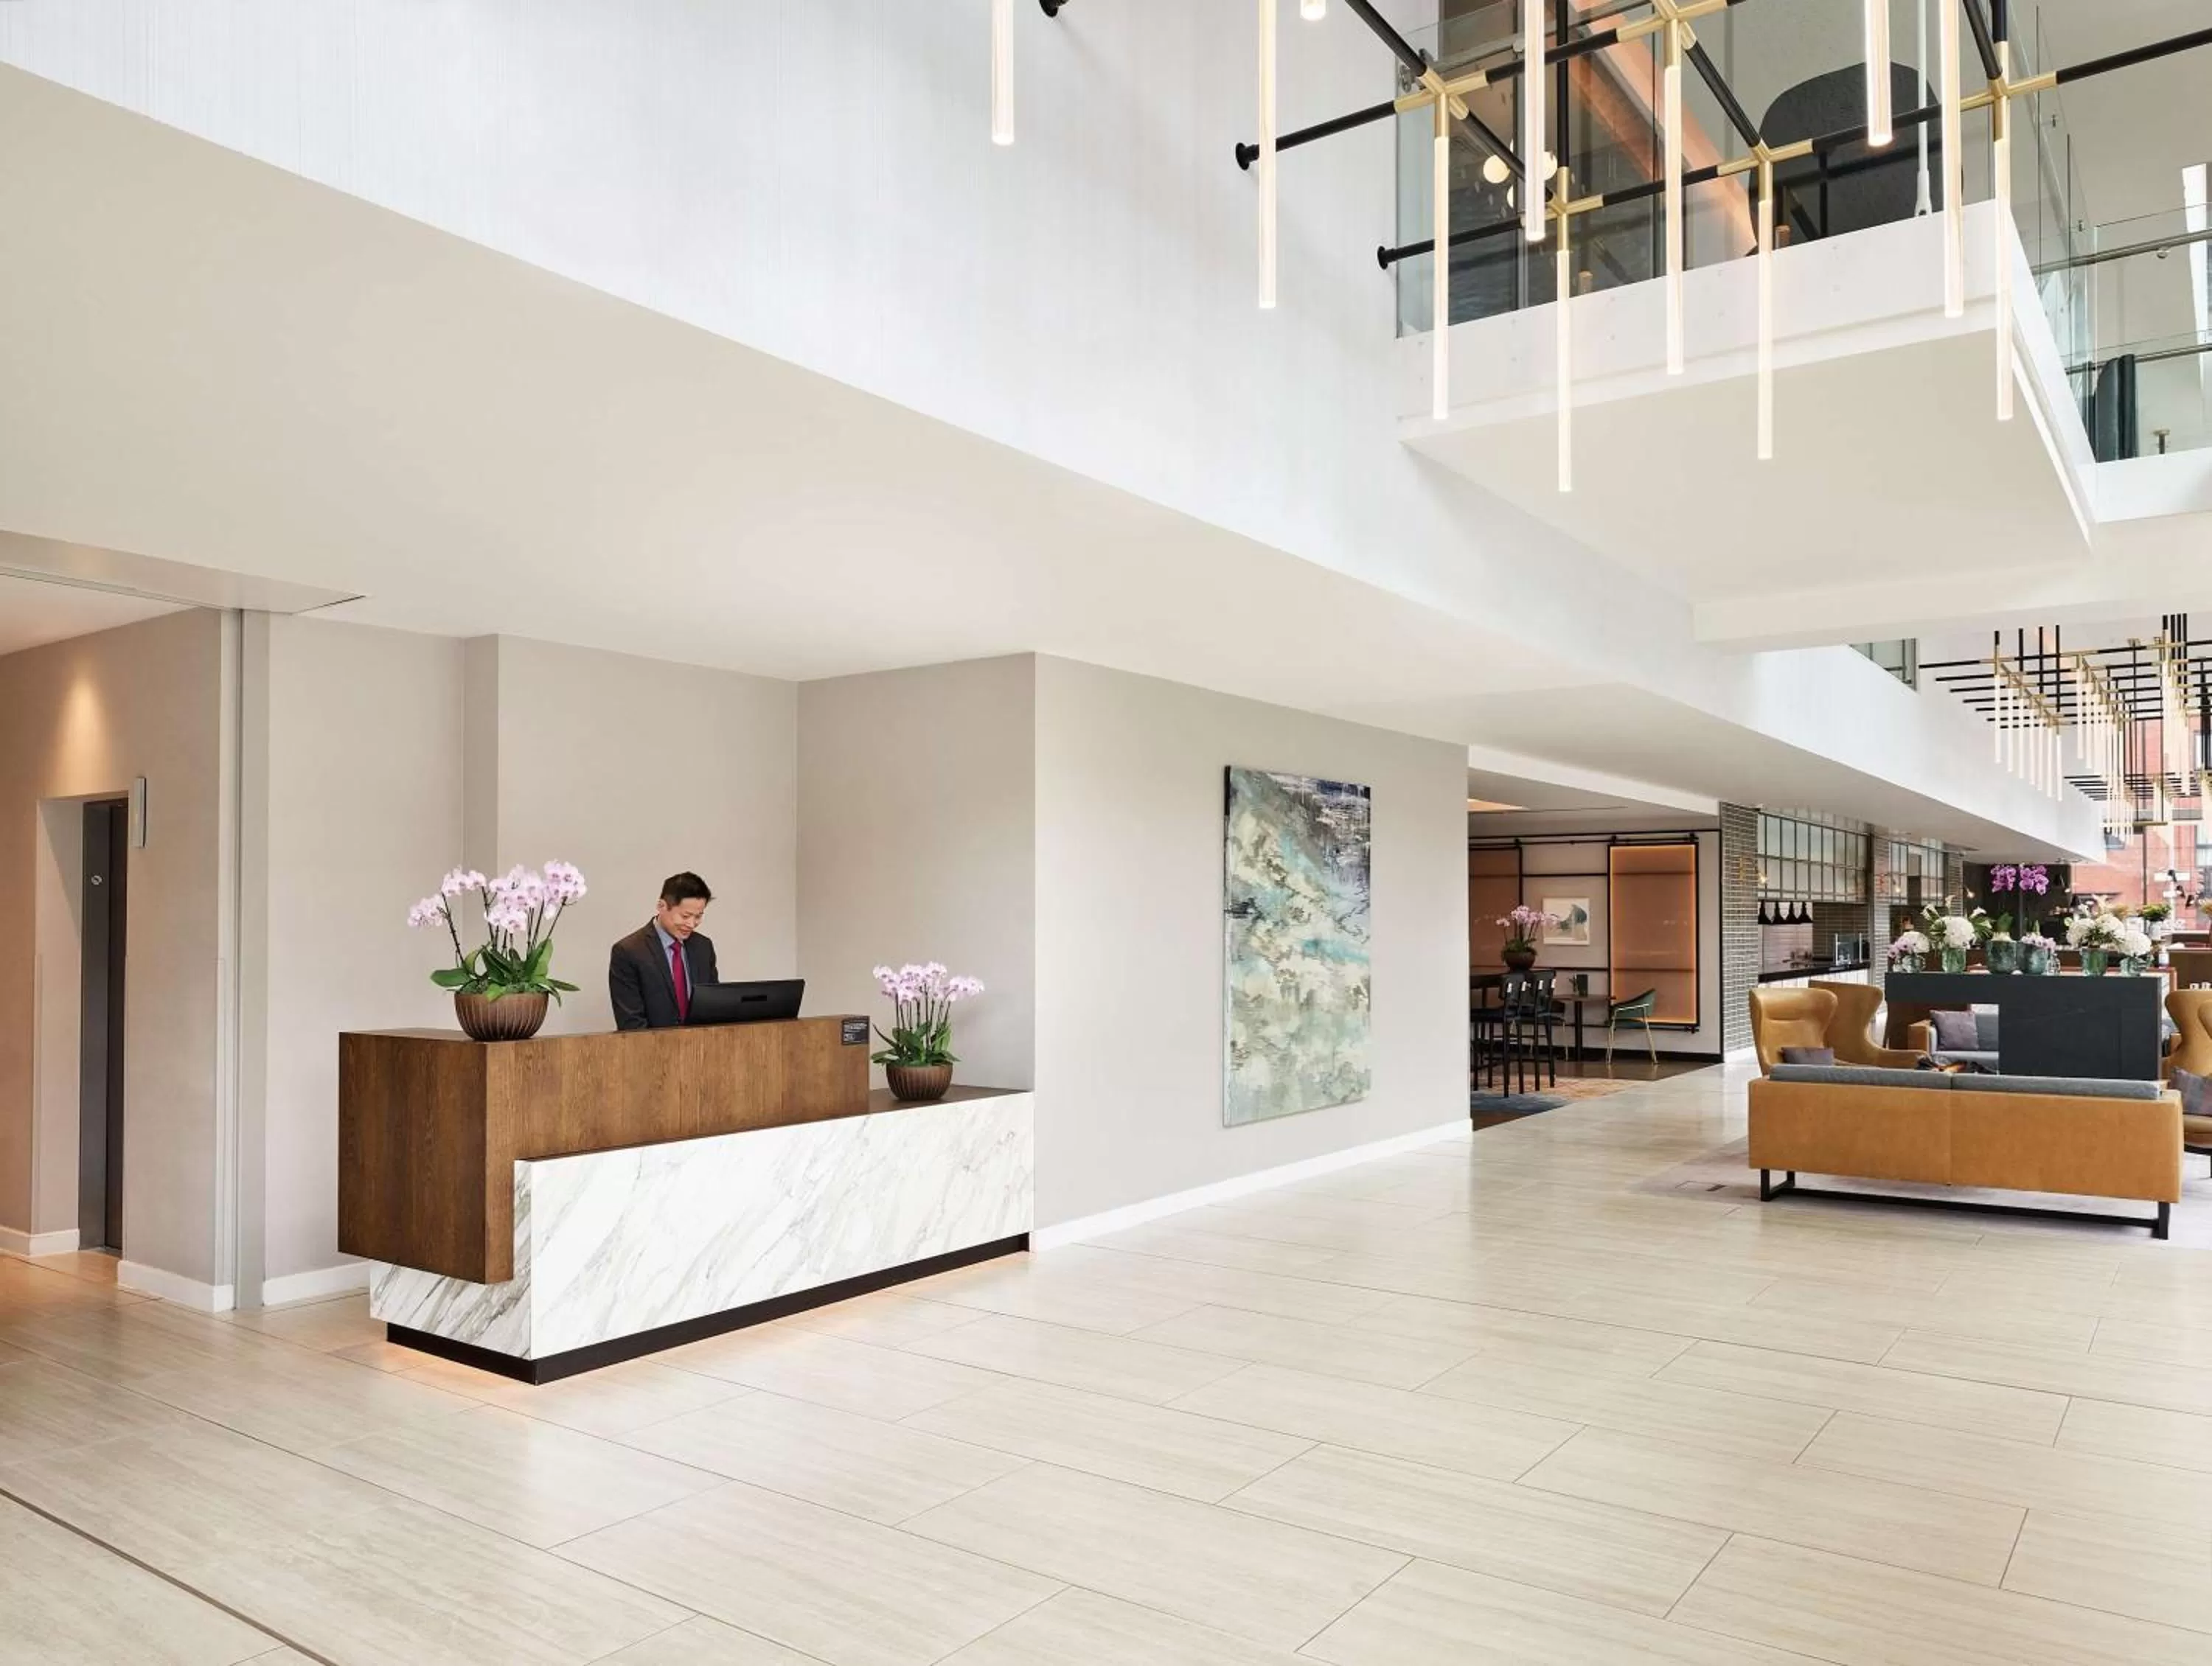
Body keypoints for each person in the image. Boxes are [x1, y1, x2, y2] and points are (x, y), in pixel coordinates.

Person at [609, 872, 720, 1031]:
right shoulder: (628, 952)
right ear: (662, 906)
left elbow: (713, 1007)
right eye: (685, 916)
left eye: (698, 917)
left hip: (700, 1044)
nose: (691, 924)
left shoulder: (703, 947)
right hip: (651, 1045)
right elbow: (631, 1023)